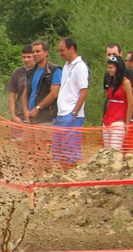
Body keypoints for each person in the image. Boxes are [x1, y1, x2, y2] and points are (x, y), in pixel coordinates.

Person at [52, 37, 89, 165]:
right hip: (61, 113)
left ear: (71, 48)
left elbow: (84, 92)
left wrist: (74, 113)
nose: (60, 53)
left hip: (71, 114)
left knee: (70, 153)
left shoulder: (80, 67)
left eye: (62, 50)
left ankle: (71, 175)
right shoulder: (66, 66)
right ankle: (64, 175)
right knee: (59, 152)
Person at [23, 40, 61, 125]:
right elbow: (25, 93)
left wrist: (38, 108)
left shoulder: (54, 70)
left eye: (38, 51)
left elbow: (54, 94)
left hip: (46, 118)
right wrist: (25, 110)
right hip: (31, 118)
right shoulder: (30, 72)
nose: (35, 54)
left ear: (46, 52)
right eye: (33, 52)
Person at [103, 55, 133, 149]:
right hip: (107, 120)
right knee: (106, 152)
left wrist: (127, 124)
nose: (109, 70)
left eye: (111, 68)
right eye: (108, 67)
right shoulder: (111, 81)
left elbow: (130, 103)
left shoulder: (126, 82)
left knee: (115, 151)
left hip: (119, 121)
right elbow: (109, 100)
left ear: (118, 68)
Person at [7, 44, 35, 123]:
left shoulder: (40, 72)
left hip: (35, 113)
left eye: (29, 57)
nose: (26, 60)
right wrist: (13, 116)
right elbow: (12, 96)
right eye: (24, 57)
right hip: (20, 114)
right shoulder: (17, 73)